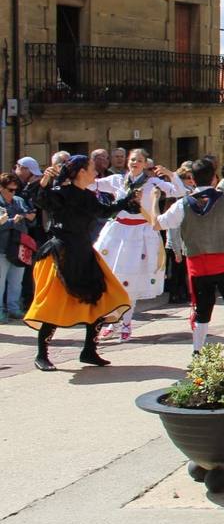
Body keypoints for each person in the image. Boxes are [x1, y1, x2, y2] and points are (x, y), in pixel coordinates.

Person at [25, 156, 134, 371]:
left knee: (99, 299)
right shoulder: (60, 193)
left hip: (84, 252)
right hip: (61, 254)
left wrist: (128, 199)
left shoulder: (87, 196)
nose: (96, 173)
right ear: (81, 172)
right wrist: (45, 181)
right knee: (53, 304)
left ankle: (89, 350)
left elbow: (104, 211)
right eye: (92, 169)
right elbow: (39, 199)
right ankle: (41, 354)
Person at [155, 157, 224, 353]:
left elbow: (158, 223)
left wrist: (153, 201)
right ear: (214, 178)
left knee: (201, 310)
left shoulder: (181, 205)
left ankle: (197, 350)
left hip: (197, 265)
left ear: (192, 179)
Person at [91, 149, 183, 341]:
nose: (135, 163)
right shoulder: (116, 180)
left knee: (129, 281)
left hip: (140, 234)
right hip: (117, 233)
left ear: (145, 164)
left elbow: (180, 191)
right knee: (111, 279)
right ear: (127, 161)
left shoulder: (152, 182)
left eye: (139, 160)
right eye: (133, 159)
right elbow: (92, 184)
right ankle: (112, 322)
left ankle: (126, 323)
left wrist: (171, 174)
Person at [0, 172, 35, 320]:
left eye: (15, 189)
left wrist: (27, 216)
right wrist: (12, 222)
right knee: (0, 282)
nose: (13, 193)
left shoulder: (19, 200)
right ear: (1, 188)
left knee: (17, 281)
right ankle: (1, 310)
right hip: (2, 247)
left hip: (20, 247)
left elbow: (32, 219)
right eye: (10, 190)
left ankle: (14, 308)